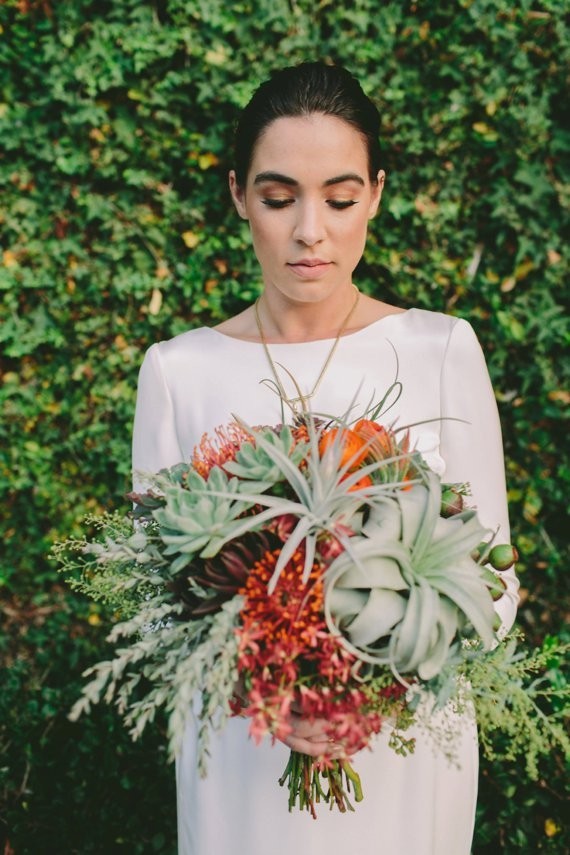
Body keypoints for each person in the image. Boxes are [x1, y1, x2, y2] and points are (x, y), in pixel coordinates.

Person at [132, 62, 519, 855]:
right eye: (279, 199)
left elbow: (496, 588)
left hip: (406, 753)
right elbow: (151, 601)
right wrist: (271, 685)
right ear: (239, 196)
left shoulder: (441, 349)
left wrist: (370, 684)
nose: (311, 229)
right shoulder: (179, 370)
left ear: (375, 194)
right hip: (242, 761)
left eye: (340, 200)